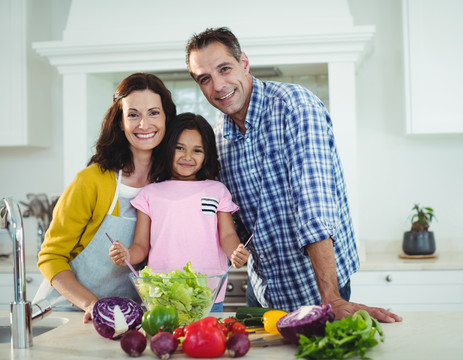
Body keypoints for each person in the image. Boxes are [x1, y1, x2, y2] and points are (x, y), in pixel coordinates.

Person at [185, 27, 402, 322]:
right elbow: (229, 220)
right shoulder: (220, 138)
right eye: (205, 79)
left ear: (244, 63)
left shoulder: (295, 107)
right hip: (264, 291)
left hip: (320, 288)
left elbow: (314, 207)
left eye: (224, 69)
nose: (218, 85)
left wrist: (332, 298)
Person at [35, 72, 177, 323]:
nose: (144, 124)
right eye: (133, 114)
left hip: (123, 316)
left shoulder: (167, 185)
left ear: (166, 118)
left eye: (154, 113)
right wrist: (93, 305)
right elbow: (51, 257)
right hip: (67, 312)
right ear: (120, 122)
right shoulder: (92, 180)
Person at [108, 112, 250, 312]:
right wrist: (127, 255)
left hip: (207, 294)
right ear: (168, 148)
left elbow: (227, 234)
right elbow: (141, 245)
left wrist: (236, 252)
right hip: (161, 294)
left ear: (207, 154)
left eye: (197, 150)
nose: (188, 157)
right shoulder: (150, 194)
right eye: (180, 148)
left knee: (205, 343)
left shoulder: (217, 190)